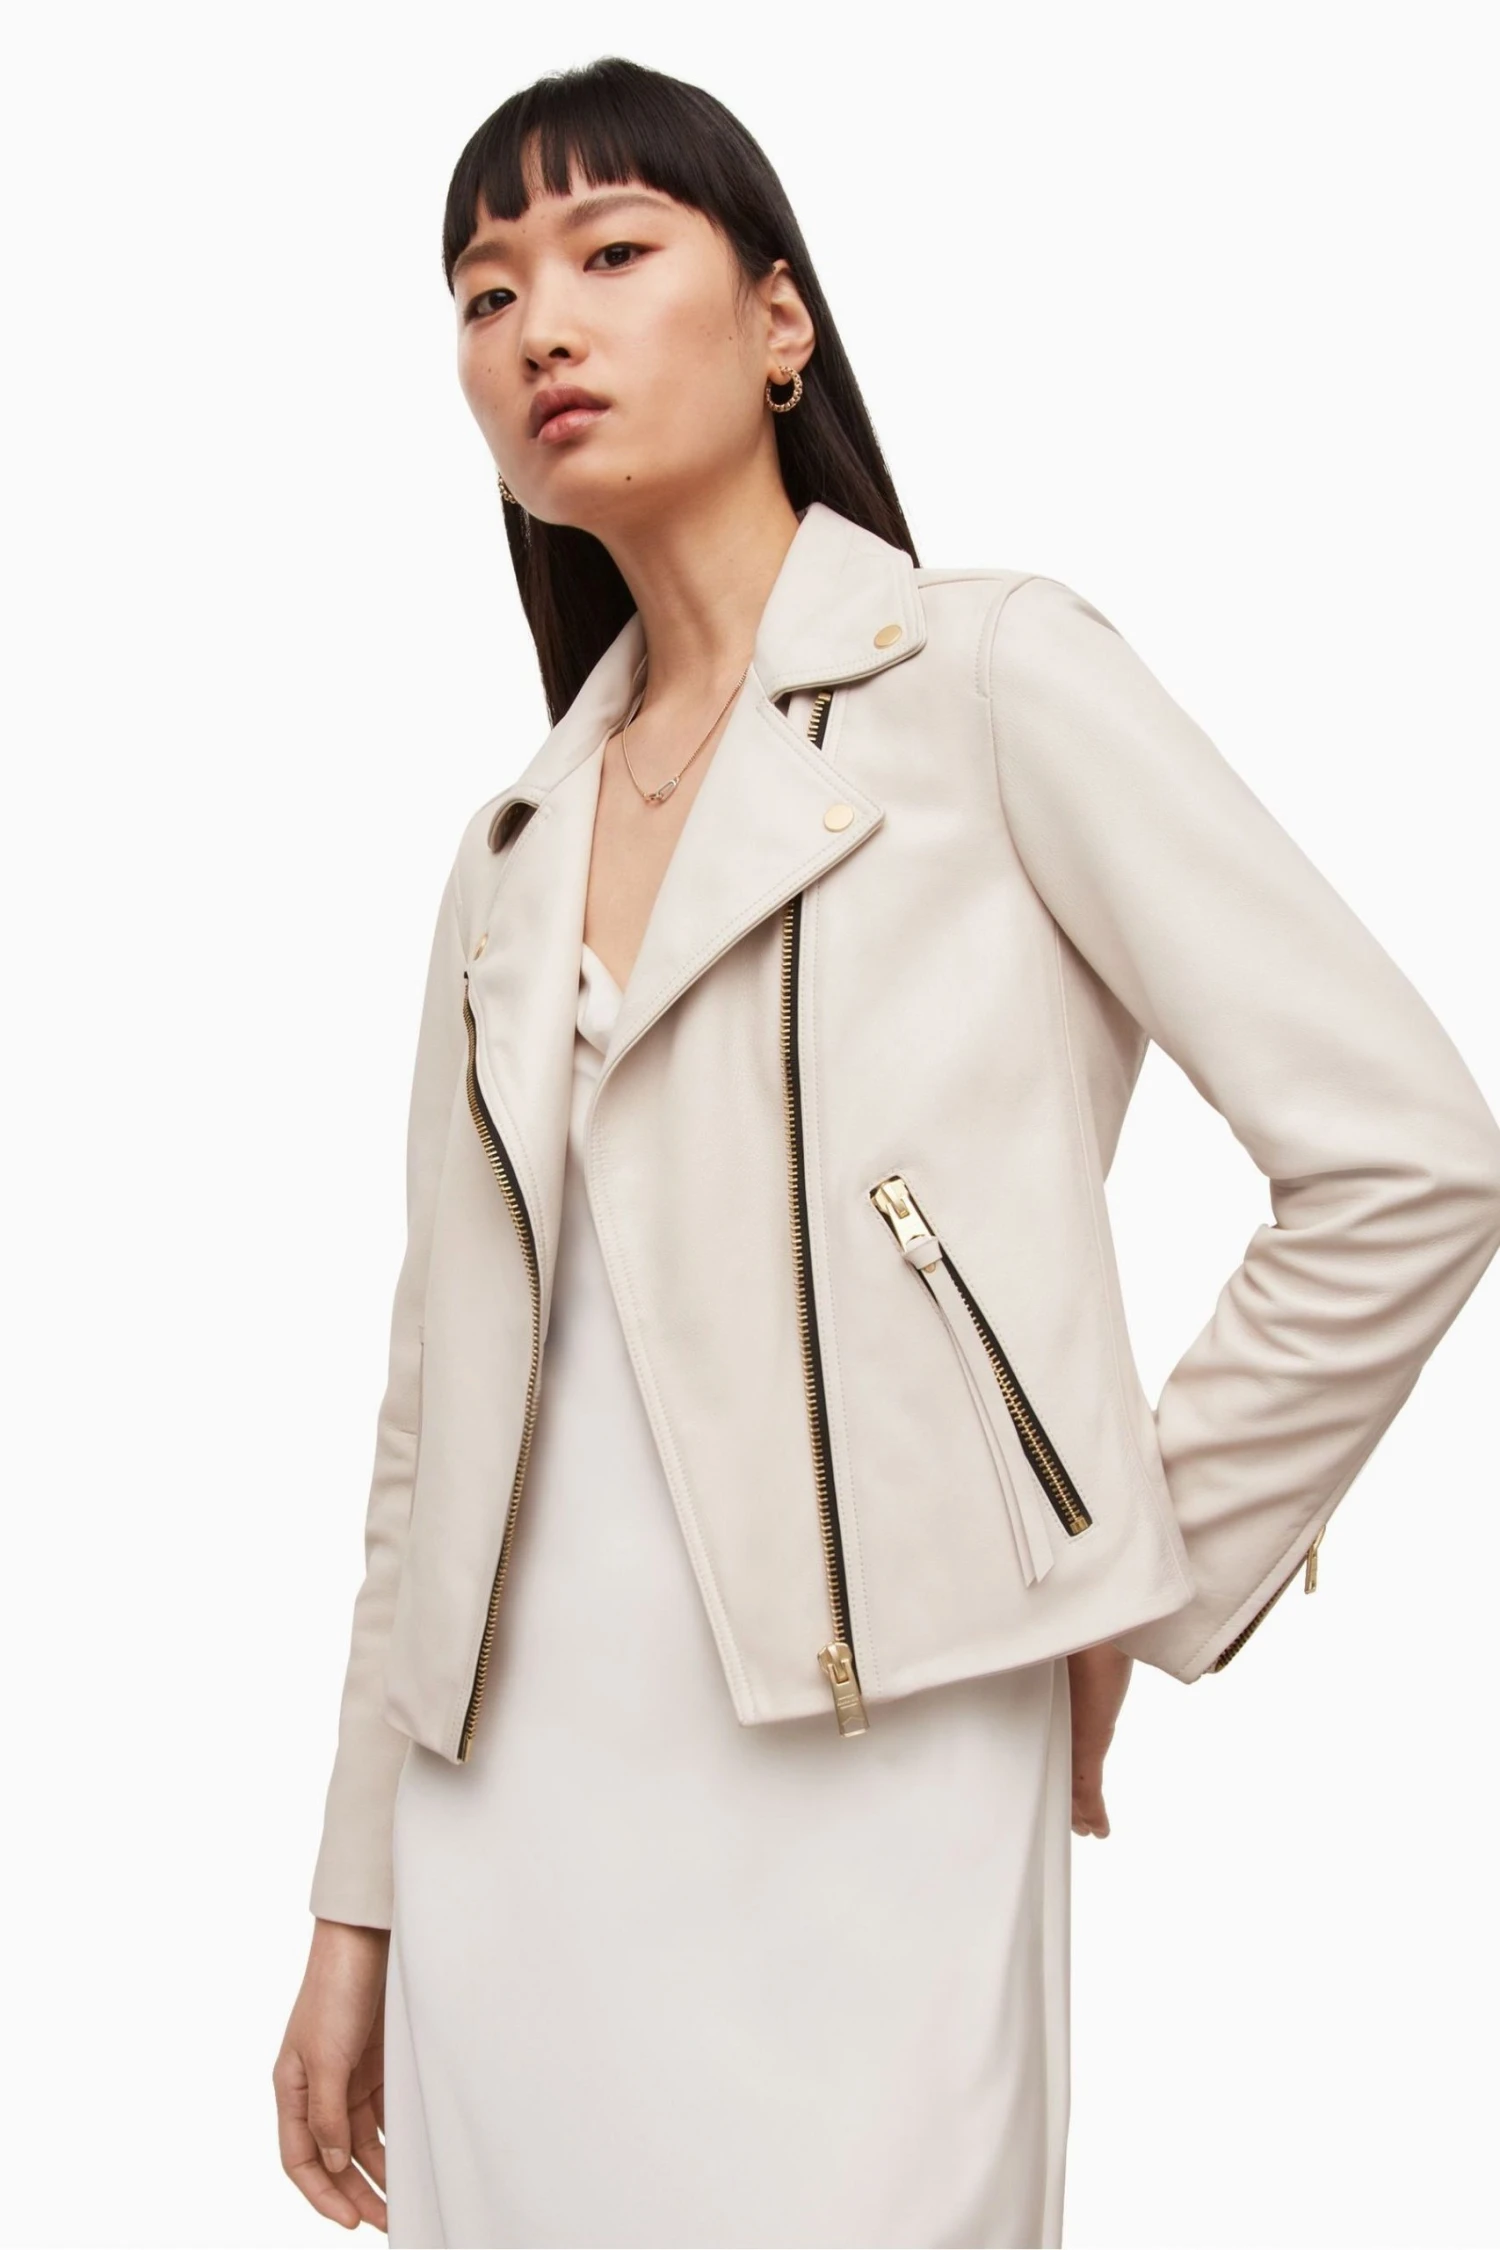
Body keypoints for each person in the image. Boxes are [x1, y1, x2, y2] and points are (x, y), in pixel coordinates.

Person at [273, 55, 1500, 2250]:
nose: (539, 326)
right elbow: (429, 1421)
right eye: (485, 291)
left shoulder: (992, 680)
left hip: (881, 1758)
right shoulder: (507, 852)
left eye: (609, 250)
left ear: (780, 322)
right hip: (508, 1817)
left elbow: (1409, 1156)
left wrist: (1123, 1570)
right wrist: (356, 1891)